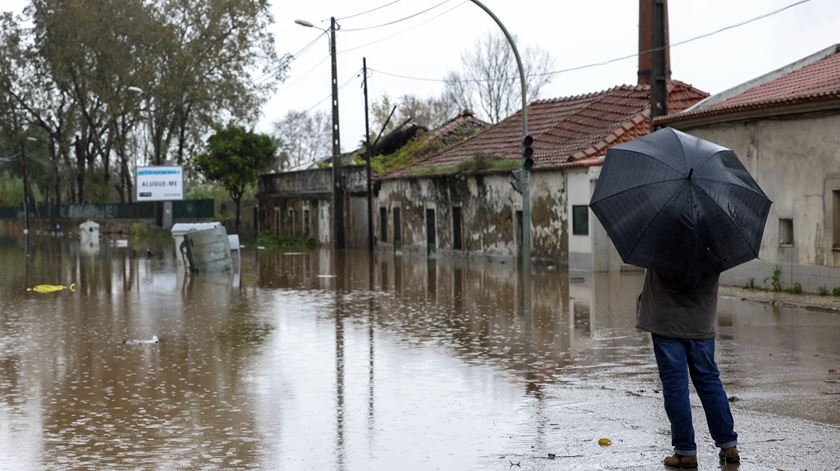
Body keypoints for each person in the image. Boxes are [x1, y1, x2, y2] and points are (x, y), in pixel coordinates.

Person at [637, 270, 740, 469]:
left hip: (666, 321)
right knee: (709, 379)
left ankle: (685, 451)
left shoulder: (660, 241)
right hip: (702, 320)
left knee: (675, 384)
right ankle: (729, 445)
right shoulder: (714, 242)